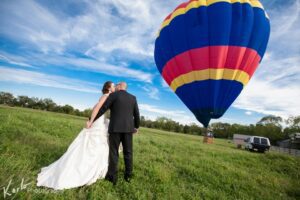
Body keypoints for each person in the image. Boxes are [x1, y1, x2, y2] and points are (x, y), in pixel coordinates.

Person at [36, 81, 115, 190]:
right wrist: (90, 121)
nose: (115, 87)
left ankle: (95, 169)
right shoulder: (106, 96)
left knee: (99, 144)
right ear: (109, 88)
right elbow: (97, 109)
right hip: (97, 122)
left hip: (101, 122)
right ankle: (84, 170)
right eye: (113, 85)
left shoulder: (108, 97)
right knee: (94, 145)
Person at [90, 81, 140, 185]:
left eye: (117, 85)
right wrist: (136, 127)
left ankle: (112, 177)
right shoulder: (133, 98)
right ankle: (128, 175)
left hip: (115, 129)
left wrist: (92, 119)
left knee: (113, 153)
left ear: (120, 86)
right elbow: (137, 114)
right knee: (128, 152)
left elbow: (103, 109)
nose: (116, 86)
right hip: (128, 129)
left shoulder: (113, 95)